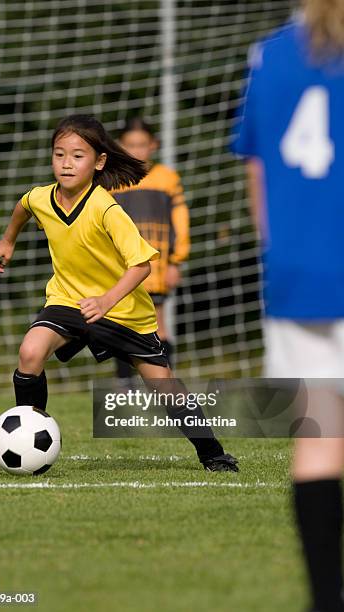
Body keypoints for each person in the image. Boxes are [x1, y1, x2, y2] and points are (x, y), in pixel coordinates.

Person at [0, 114, 238, 473]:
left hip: (124, 312)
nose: (66, 163)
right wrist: (8, 239)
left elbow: (142, 265)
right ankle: (23, 437)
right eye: (59, 154)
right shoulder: (42, 197)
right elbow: (24, 206)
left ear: (99, 161)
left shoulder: (106, 208)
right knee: (30, 352)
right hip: (68, 300)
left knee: (164, 386)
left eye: (77, 155)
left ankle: (212, 453)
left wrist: (106, 300)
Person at [232, 1, 344, 609]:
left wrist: (286, 254)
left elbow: (258, 174)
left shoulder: (270, 54)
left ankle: (326, 599)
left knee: (320, 438)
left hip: (298, 273)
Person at [112, 117, 190, 384]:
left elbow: (180, 221)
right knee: (120, 324)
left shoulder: (167, 179)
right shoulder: (111, 181)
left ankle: (166, 385)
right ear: (120, 146)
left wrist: (176, 261)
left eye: (142, 145)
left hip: (155, 267)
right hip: (120, 267)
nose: (137, 151)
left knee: (158, 324)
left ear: (153, 145)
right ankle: (125, 387)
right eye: (130, 145)